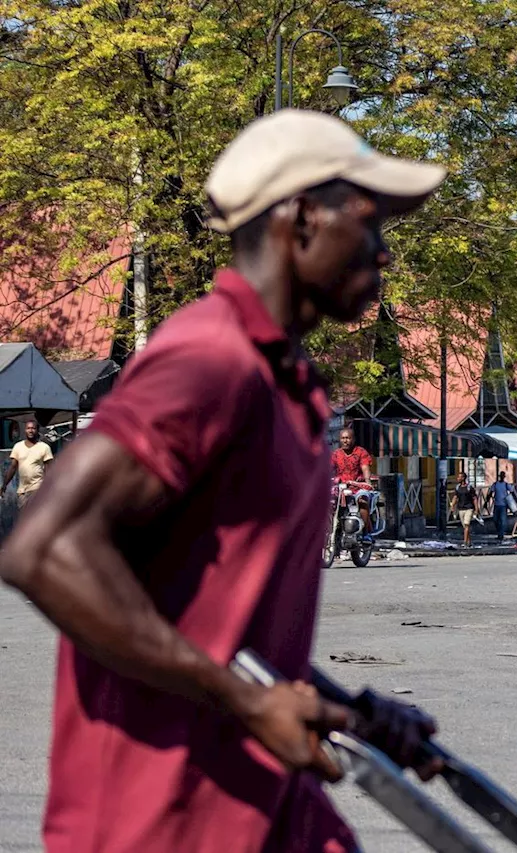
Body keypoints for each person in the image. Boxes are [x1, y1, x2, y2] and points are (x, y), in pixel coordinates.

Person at [0, 109, 448, 852]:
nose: (385, 252)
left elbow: (218, 627)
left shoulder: (288, 384)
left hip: (258, 797)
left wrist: (348, 709)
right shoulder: (210, 359)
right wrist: (244, 698)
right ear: (303, 219)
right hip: (160, 818)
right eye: (371, 223)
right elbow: (41, 549)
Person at [331, 427, 376, 536]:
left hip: (357, 487)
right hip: (341, 488)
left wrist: (367, 481)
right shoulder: (336, 454)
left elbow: (365, 468)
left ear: (353, 439)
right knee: (331, 504)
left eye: (347, 438)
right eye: (343, 438)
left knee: (363, 502)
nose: (345, 441)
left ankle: (366, 534)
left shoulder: (360, 452)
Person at [4, 419, 54, 508]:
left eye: (33, 428)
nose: (30, 430)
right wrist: (4, 485)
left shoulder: (44, 447)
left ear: (37, 430)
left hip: (37, 488)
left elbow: (48, 469)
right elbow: (13, 467)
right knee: (24, 518)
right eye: (28, 428)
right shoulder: (18, 446)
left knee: (35, 516)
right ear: (25, 430)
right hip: (22, 491)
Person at [485, 470, 515, 544]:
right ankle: (499, 531)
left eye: (503, 476)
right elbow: (490, 493)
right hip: (496, 504)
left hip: (504, 505)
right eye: (501, 475)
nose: (501, 477)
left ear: (504, 477)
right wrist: (486, 502)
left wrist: (515, 502)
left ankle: (500, 534)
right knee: (495, 520)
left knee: (503, 520)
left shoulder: (506, 485)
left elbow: (512, 492)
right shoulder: (495, 484)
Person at [451, 472, 480, 548]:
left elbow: (474, 498)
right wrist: (452, 505)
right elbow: (455, 497)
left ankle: (465, 543)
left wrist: (476, 509)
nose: (458, 478)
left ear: (463, 478)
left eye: (459, 477)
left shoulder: (469, 488)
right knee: (465, 527)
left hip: (469, 508)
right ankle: (469, 542)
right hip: (461, 509)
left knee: (466, 524)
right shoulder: (458, 487)